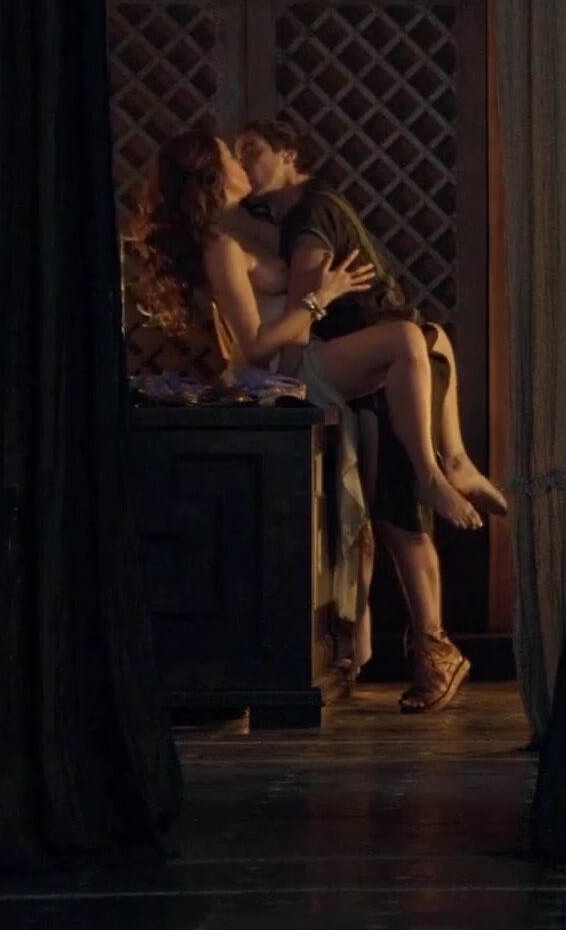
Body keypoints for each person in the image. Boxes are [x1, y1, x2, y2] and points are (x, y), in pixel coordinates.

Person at [125, 131, 474, 712]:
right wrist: (320, 298)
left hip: (303, 358)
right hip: (283, 370)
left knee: (426, 340)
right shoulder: (220, 245)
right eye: (230, 155)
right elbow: (256, 345)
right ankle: (433, 474)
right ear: (212, 174)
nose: (240, 162)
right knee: (405, 339)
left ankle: (449, 466)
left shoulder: (242, 229)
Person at [235, 118, 506, 713]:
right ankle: (453, 466)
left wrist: (284, 380)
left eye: (252, 151)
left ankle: (434, 647)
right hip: (393, 356)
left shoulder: (310, 214)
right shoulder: (295, 218)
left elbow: (302, 314)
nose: (244, 162)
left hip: (379, 361)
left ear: (289, 153)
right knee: (398, 509)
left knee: (404, 509)